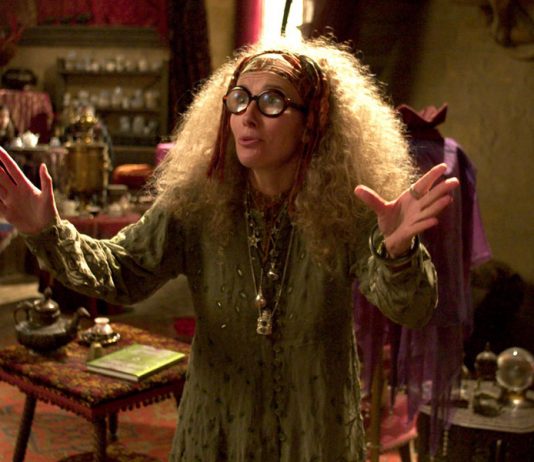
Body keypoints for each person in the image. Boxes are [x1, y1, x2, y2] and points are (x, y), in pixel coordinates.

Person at [0, 36, 459, 461]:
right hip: (216, 425)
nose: (247, 116)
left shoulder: (349, 208)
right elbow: (124, 271)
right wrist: (47, 232)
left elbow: (413, 308)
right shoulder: (197, 202)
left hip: (315, 429)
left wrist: (399, 255)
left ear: (312, 123)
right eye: (239, 99)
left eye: (272, 101)